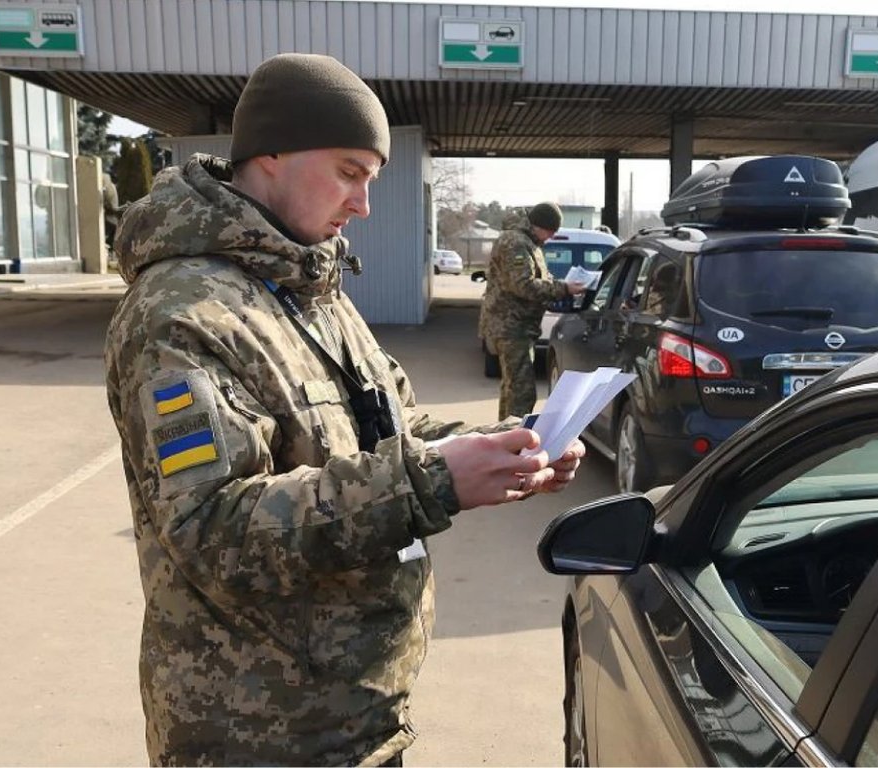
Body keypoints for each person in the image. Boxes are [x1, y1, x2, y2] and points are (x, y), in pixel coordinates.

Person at [103, 52, 586, 767]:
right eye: (350, 172)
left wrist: (499, 446)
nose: (363, 203)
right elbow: (212, 530)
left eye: (372, 179)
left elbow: (393, 425)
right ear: (269, 154)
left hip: (352, 707)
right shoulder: (184, 312)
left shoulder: (307, 287)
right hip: (258, 729)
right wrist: (432, 481)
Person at [478, 202, 587, 419]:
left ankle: (504, 438)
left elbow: (537, 279)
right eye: (550, 232)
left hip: (519, 327)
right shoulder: (515, 243)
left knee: (512, 389)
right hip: (510, 327)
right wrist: (563, 288)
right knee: (521, 393)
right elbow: (522, 285)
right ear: (539, 225)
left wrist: (560, 286)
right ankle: (515, 442)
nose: (551, 237)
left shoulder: (529, 243)